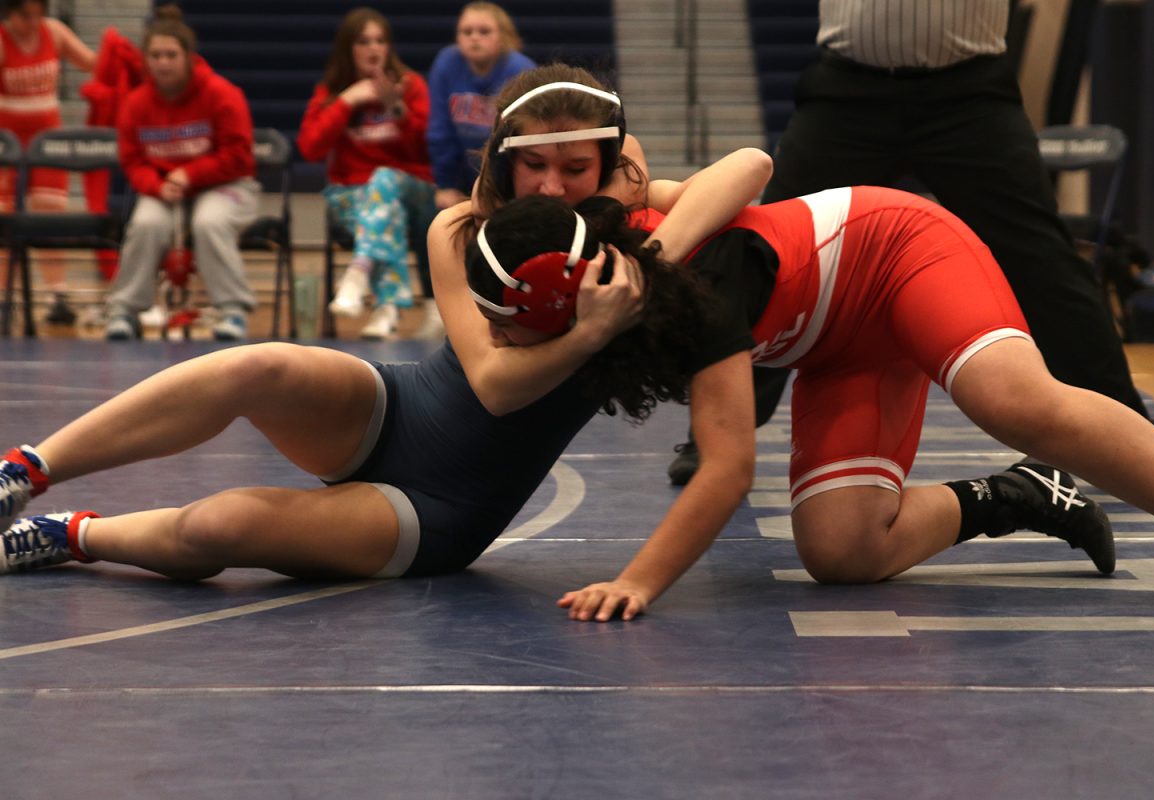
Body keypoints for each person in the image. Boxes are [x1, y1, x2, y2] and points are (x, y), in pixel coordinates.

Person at [0, 70, 771, 592]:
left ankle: (70, 534)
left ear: (604, 163)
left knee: (218, 526)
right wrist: (595, 328)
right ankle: (26, 469)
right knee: (255, 366)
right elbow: (496, 387)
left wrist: (646, 253)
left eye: (577, 167)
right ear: (503, 165)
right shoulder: (458, 229)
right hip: (397, 412)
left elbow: (751, 163)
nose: (554, 187)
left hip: (440, 511)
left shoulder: (622, 233)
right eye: (534, 167)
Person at [463, 187, 1154, 624]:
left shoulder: (700, 286)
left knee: (1009, 398)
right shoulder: (605, 289)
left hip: (902, 252)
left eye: (502, 316)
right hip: (839, 346)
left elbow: (726, 468)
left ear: (563, 298)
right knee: (841, 551)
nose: (495, 333)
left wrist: (637, 581)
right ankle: (1021, 495)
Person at [666, 0, 1152, 486]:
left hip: (968, 94)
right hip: (848, 92)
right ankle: (717, 433)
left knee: (1041, 260)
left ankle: (1122, 420)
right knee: (766, 253)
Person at [104, 5, 258, 342]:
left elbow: (238, 156)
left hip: (225, 184)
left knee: (209, 222)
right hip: (164, 189)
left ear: (188, 57)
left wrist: (190, 174)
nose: (163, 62)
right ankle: (124, 310)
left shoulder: (223, 94)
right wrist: (157, 186)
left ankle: (232, 309)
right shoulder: (135, 104)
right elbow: (132, 161)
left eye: (170, 54)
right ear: (145, 59)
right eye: (155, 55)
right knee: (146, 223)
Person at [298, 7, 438, 341]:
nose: (374, 49)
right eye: (364, 42)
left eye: (380, 41)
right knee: (381, 208)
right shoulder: (331, 92)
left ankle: (359, 272)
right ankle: (386, 311)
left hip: (411, 189)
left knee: (385, 179)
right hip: (351, 195)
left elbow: (427, 149)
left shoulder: (410, 86)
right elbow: (310, 149)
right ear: (349, 48)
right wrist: (347, 100)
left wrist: (398, 110)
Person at [0, 0, 95, 325]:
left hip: (47, 140)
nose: (32, 21)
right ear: (9, 14)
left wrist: (122, 62)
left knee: (49, 210)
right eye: (24, 15)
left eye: (37, 13)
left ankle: (58, 294)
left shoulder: (53, 33)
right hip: (6, 140)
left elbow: (95, 64)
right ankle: (4, 299)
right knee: (4, 216)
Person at [427, 2, 534, 212]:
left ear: (504, 37)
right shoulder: (446, 64)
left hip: (509, 180)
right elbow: (440, 131)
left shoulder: (521, 71)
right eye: (466, 32)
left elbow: (525, 139)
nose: (474, 38)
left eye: (484, 31)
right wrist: (446, 184)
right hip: (460, 180)